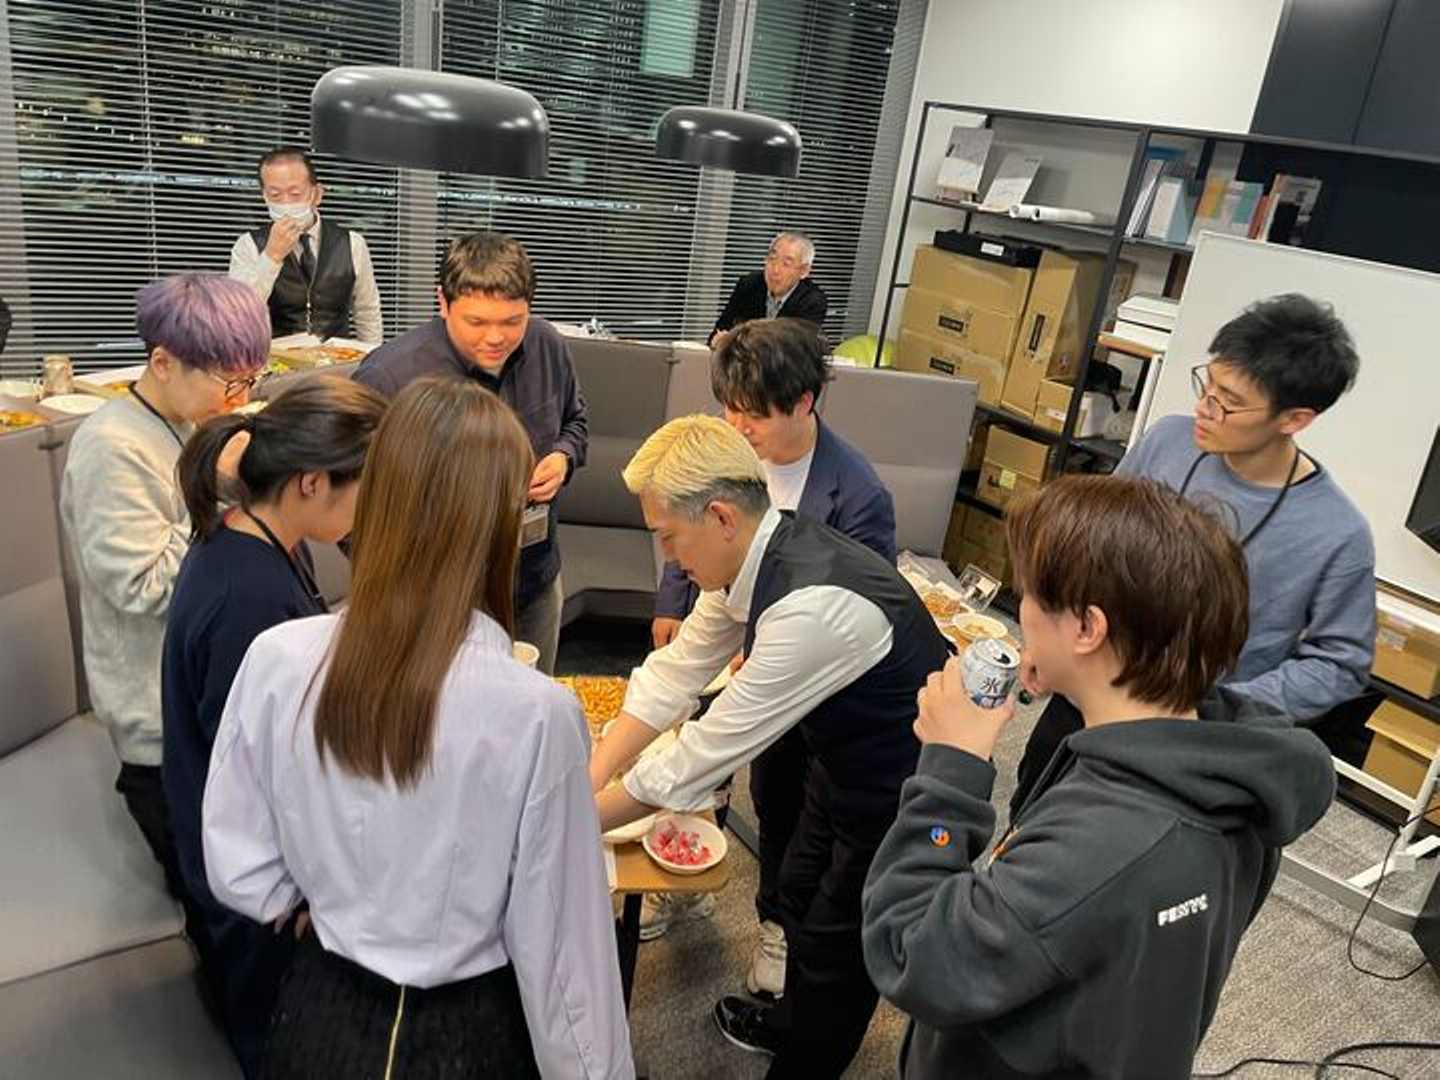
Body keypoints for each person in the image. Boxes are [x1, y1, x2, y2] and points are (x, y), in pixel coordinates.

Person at [202, 378, 632, 1079]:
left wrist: (322, 902)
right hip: (465, 1035)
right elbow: (563, 961)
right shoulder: (537, 715)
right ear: (499, 523)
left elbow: (241, 866)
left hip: (319, 1009)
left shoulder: (277, 659)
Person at [861, 474, 1336, 1077]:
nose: (1020, 614)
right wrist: (1070, 675)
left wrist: (951, 768)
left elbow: (913, 951)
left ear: (1088, 628)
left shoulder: (1100, 848)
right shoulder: (1239, 774)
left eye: (1029, 598)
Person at [589, 415, 949, 1078]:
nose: (667, 556)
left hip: (902, 783)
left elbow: (698, 757)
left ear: (721, 518)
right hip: (838, 758)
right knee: (798, 892)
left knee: (840, 939)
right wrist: (594, 773)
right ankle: (786, 1022)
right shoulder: (750, 555)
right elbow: (675, 673)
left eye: (668, 536)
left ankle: (804, 1065)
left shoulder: (811, 610)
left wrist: (575, 820)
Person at [1011, 293, 1374, 814]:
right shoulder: (1168, 440)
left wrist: (1217, 708)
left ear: (1295, 419)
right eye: (1208, 385)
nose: (1205, 408)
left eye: (1228, 402)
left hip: (1189, 739)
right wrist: (1048, 641)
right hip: (1086, 694)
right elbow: (1087, 550)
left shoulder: (1336, 532)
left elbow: (1338, 663)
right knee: (1030, 813)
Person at [643, 318, 897, 1003]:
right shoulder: (729, 453)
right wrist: (675, 599)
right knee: (693, 759)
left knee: (780, 802)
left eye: (754, 414)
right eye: (730, 409)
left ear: (805, 401)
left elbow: (848, 607)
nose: (738, 426)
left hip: (803, 688)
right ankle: (681, 884)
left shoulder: (857, 492)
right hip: (718, 629)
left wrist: (756, 654)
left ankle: (776, 926)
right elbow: (685, 526)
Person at [162, 376, 387, 1077]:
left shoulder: (259, 539)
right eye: (369, 489)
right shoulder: (248, 598)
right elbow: (261, 779)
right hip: (254, 893)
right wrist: (306, 890)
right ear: (312, 484)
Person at [59, 274, 269, 902]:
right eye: (230, 382)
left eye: (252, 380)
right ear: (163, 362)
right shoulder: (111, 448)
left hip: (204, 697)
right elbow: (144, 586)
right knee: (210, 894)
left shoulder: (189, 419)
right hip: (158, 724)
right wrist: (223, 489)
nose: (241, 398)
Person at [354, 231, 587, 674]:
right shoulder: (389, 377)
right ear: (442, 303)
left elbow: (575, 420)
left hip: (532, 580)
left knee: (532, 703)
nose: (496, 337)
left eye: (513, 321)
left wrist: (563, 455)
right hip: (433, 600)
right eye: (477, 322)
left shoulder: (547, 346)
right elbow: (353, 503)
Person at [228, 147, 383, 344]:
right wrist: (271, 257)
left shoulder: (353, 244)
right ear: (264, 197)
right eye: (275, 195)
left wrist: (374, 357)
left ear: (317, 194)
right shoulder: (248, 245)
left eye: (295, 194)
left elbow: (367, 311)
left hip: (337, 358)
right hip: (274, 358)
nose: (286, 203)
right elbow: (237, 314)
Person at [709, 232, 828, 349]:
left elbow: (794, 352)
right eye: (772, 259)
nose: (775, 269)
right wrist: (718, 340)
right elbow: (719, 330)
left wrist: (738, 343)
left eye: (786, 264)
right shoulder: (748, 285)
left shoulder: (812, 302)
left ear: (804, 271)